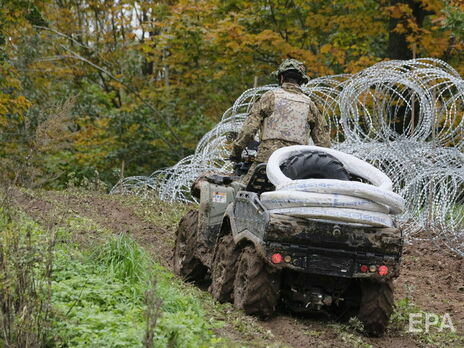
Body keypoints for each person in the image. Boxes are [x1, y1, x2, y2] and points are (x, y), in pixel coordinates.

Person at [230, 58, 331, 184]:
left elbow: (248, 130)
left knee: (243, 192)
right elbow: (324, 143)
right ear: (301, 81)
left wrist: (236, 152)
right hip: (296, 164)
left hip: (267, 161)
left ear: (282, 77)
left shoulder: (270, 97)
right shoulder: (310, 105)